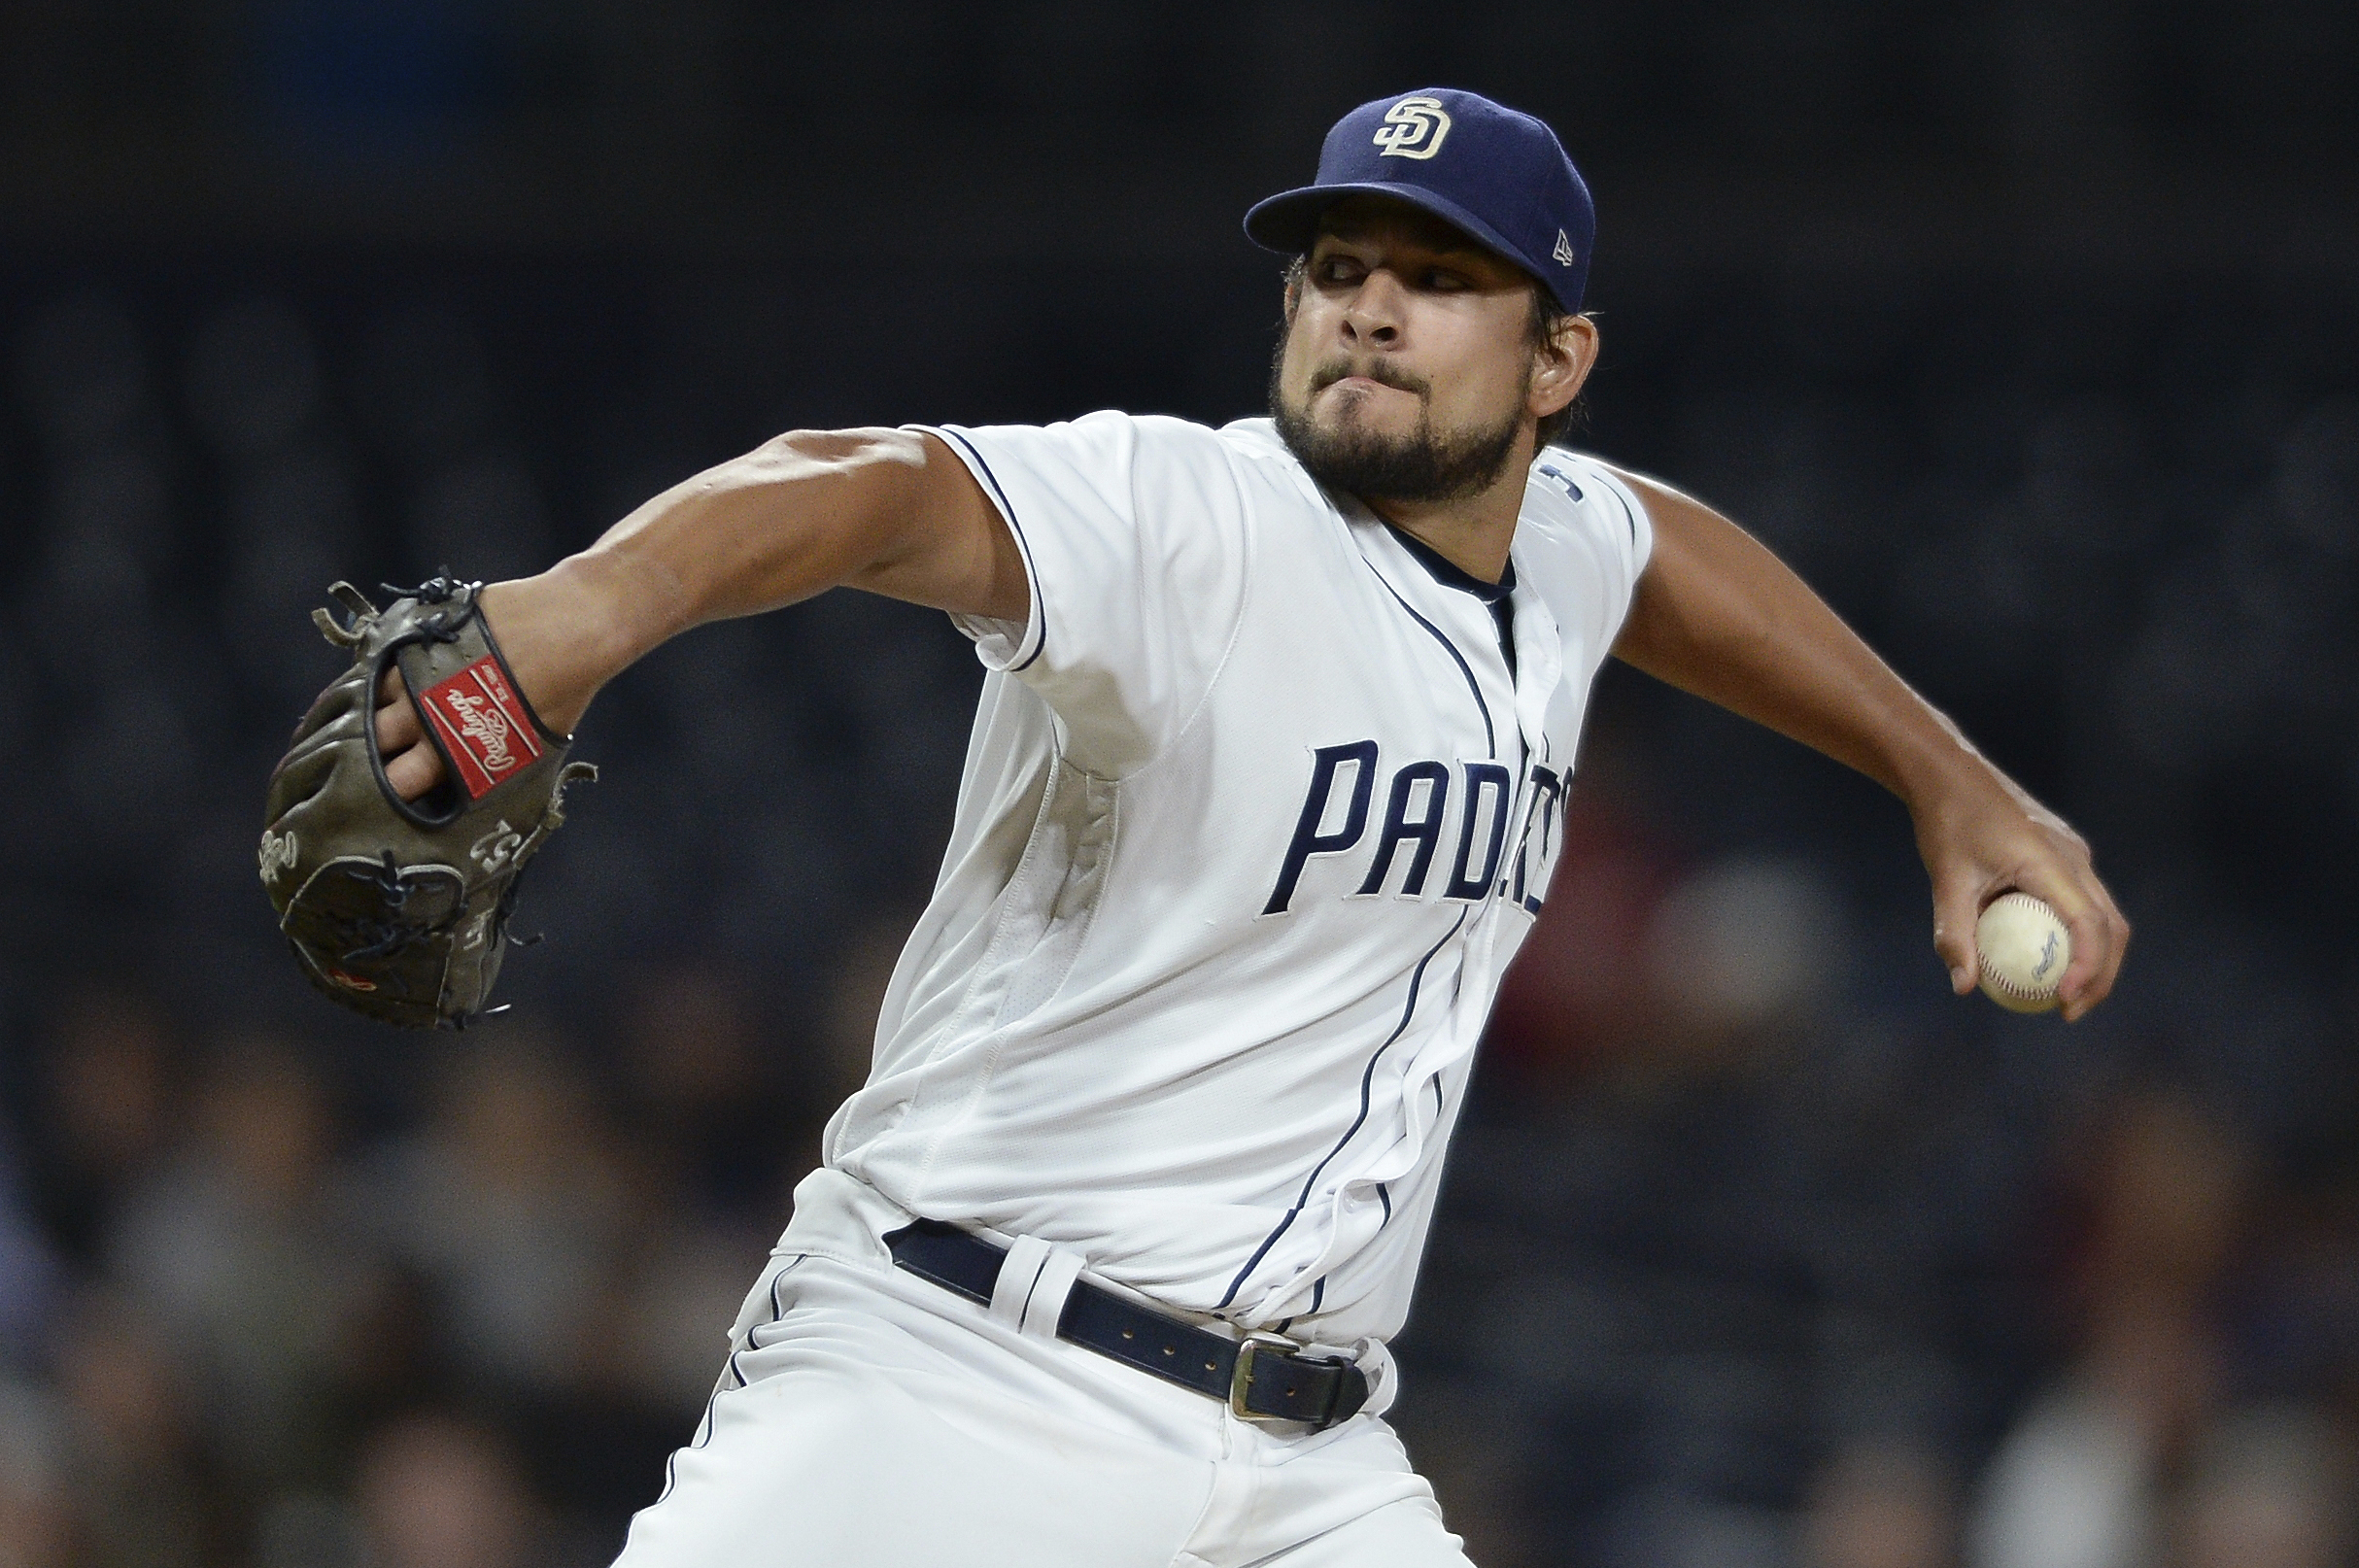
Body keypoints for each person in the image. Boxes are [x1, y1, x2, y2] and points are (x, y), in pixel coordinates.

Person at [359, 87, 2128, 1567]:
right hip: (956, 1379)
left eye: (1440, 280)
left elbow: (1659, 551)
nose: (1367, 305)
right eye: (1338, 267)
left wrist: (1950, 781)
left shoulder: (1561, 550)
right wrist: (593, 608)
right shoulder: (1188, 520)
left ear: (1558, 358)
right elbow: (877, 483)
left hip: (1309, 1464)